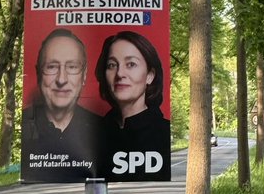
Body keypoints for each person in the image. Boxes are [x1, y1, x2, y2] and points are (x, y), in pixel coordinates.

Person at [21, 28, 102, 182]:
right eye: (51, 67)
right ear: (38, 74)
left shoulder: (106, 129)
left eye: (72, 67)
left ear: (84, 75)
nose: (61, 79)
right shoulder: (25, 124)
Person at [94, 30, 171, 178]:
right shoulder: (91, 134)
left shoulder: (164, 134)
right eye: (111, 65)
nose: (120, 73)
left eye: (131, 64)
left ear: (150, 76)